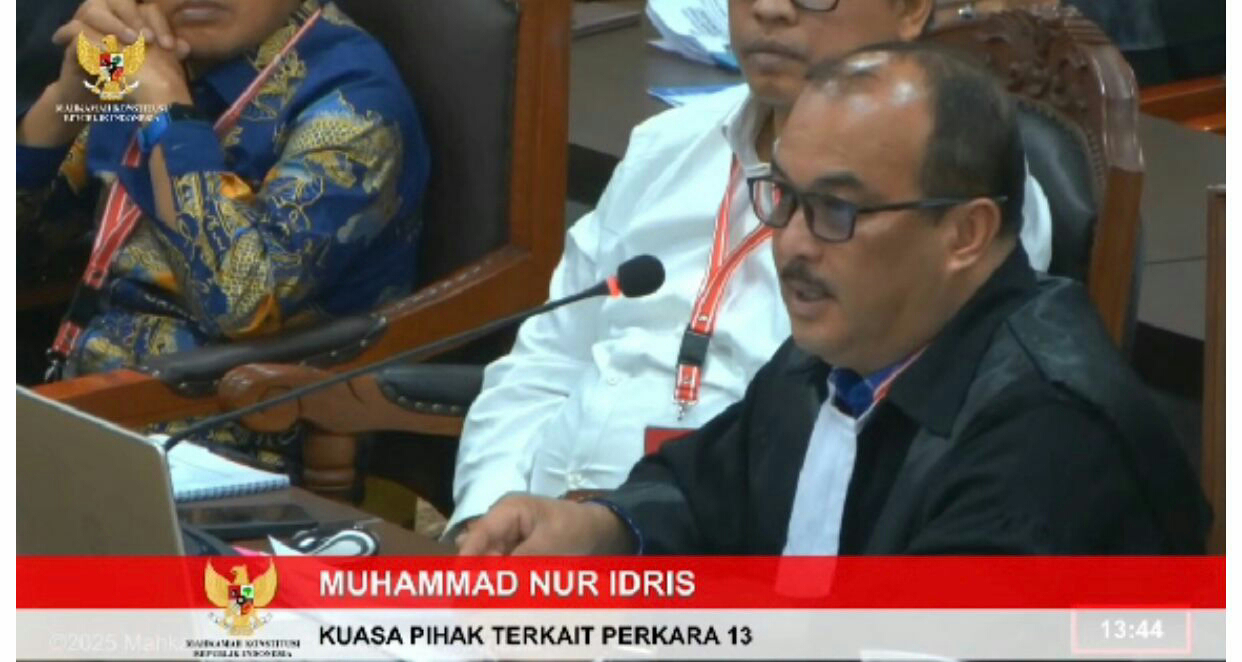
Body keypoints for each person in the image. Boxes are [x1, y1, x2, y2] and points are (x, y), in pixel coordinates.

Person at [457, 43, 1210, 556]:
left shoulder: (1046, 440)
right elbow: (706, 489)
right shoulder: (850, 346)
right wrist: (602, 529)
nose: (791, 243)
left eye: (838, 210)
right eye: (783, 196)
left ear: (966, 234)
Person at [17, 0, 429, 379]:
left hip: (234, 415)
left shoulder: (356, 104)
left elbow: (241, 306)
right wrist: (64, 101)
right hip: (84, 388)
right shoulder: (139, 56)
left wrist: (167, 113)